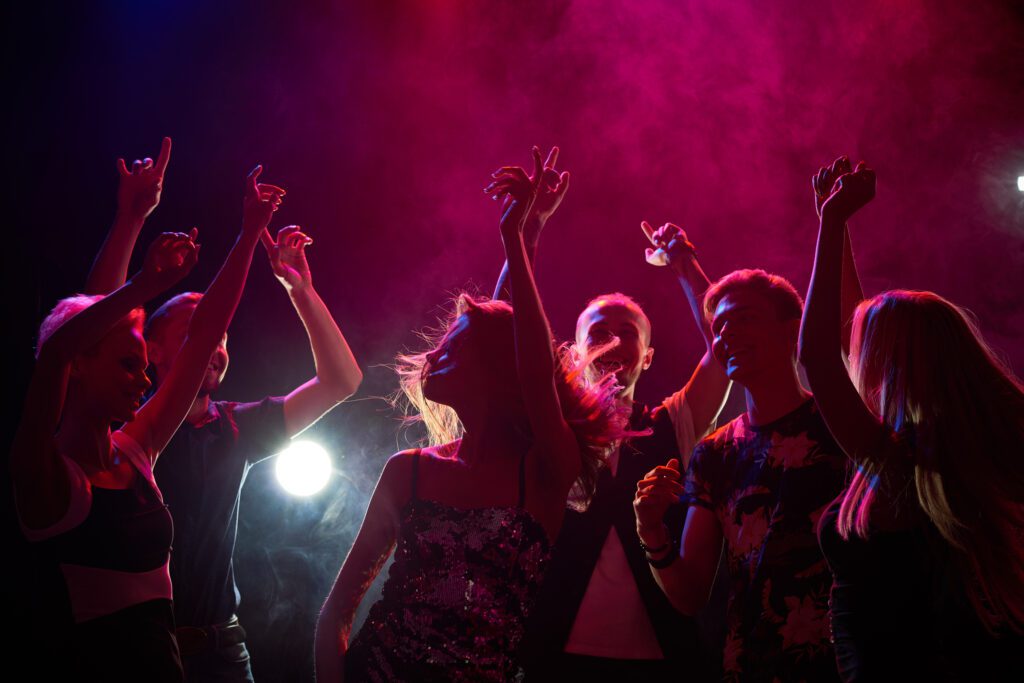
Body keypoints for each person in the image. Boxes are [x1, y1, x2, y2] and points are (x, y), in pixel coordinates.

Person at [315, 147, 626, 681]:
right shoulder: (409, 469)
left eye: (453, 347)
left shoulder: (547, 469)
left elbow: (528, 363)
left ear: (492, 370)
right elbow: (337, 611)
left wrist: (517, 238)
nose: (434, 354)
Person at [84, 142, 362, 681]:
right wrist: (130, 220)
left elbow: (342, 381)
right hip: (139, 652)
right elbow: (94, 321)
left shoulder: (236, 425)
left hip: (223, 651)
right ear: (153, 351)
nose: (213, 345)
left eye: (221, 336)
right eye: (195, 333)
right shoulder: (122, 430)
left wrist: (299, 289)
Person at [10, 163, 284, 681]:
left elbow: (205, 333)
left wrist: (248, 233)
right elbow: (56, 353)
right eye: (126, 364)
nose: (143, 380)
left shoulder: (137, 450)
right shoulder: (44, 474)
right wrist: (142, 283)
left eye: (142, 365)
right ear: (81, 367)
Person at [507, 148, 731, 679]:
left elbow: (727, 345)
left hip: (663, 658)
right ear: (573, 351)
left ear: (648, 356)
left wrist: (685, 265)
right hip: (552, 658)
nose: (609, 343)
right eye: (597, 334)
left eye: (625, 333)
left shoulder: (671, 422)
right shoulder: (549, 424)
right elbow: (507, 332)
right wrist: (528, 231)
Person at [799, 157, 1024, 680]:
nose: (855, 357)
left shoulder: (897, 460)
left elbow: (819, 359)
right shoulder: (947, 450)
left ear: (890, 363)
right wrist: (836, 228)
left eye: (866, 349)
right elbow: (848, 331)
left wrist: (832, 225)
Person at [635, 257, 859, 680]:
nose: (725, 334)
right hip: (753, 667)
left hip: (848, 664)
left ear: (792, 329)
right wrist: (651, 531)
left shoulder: (842, 424)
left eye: (744, 319)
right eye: (717, 328)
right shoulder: (714, 454)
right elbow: (689, 595)